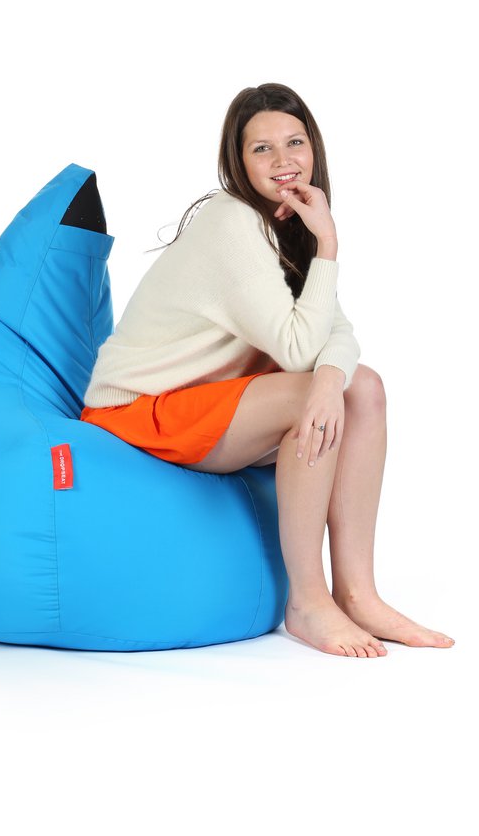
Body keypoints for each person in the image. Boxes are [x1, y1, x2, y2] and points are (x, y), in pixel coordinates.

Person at [80, 83, 454, 659]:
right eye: (262, 149)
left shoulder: (287, 223)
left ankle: (358, 593)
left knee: (365, 388)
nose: (284, 160)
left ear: (314, 148)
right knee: (317, 393)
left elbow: (338, 333)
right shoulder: (231, 222)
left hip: (210, 402)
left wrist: (330, 377)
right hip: (136, 411)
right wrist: (329, 243)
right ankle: (307, 601)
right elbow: (303, 349)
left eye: (295, 143)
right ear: (238, 160)